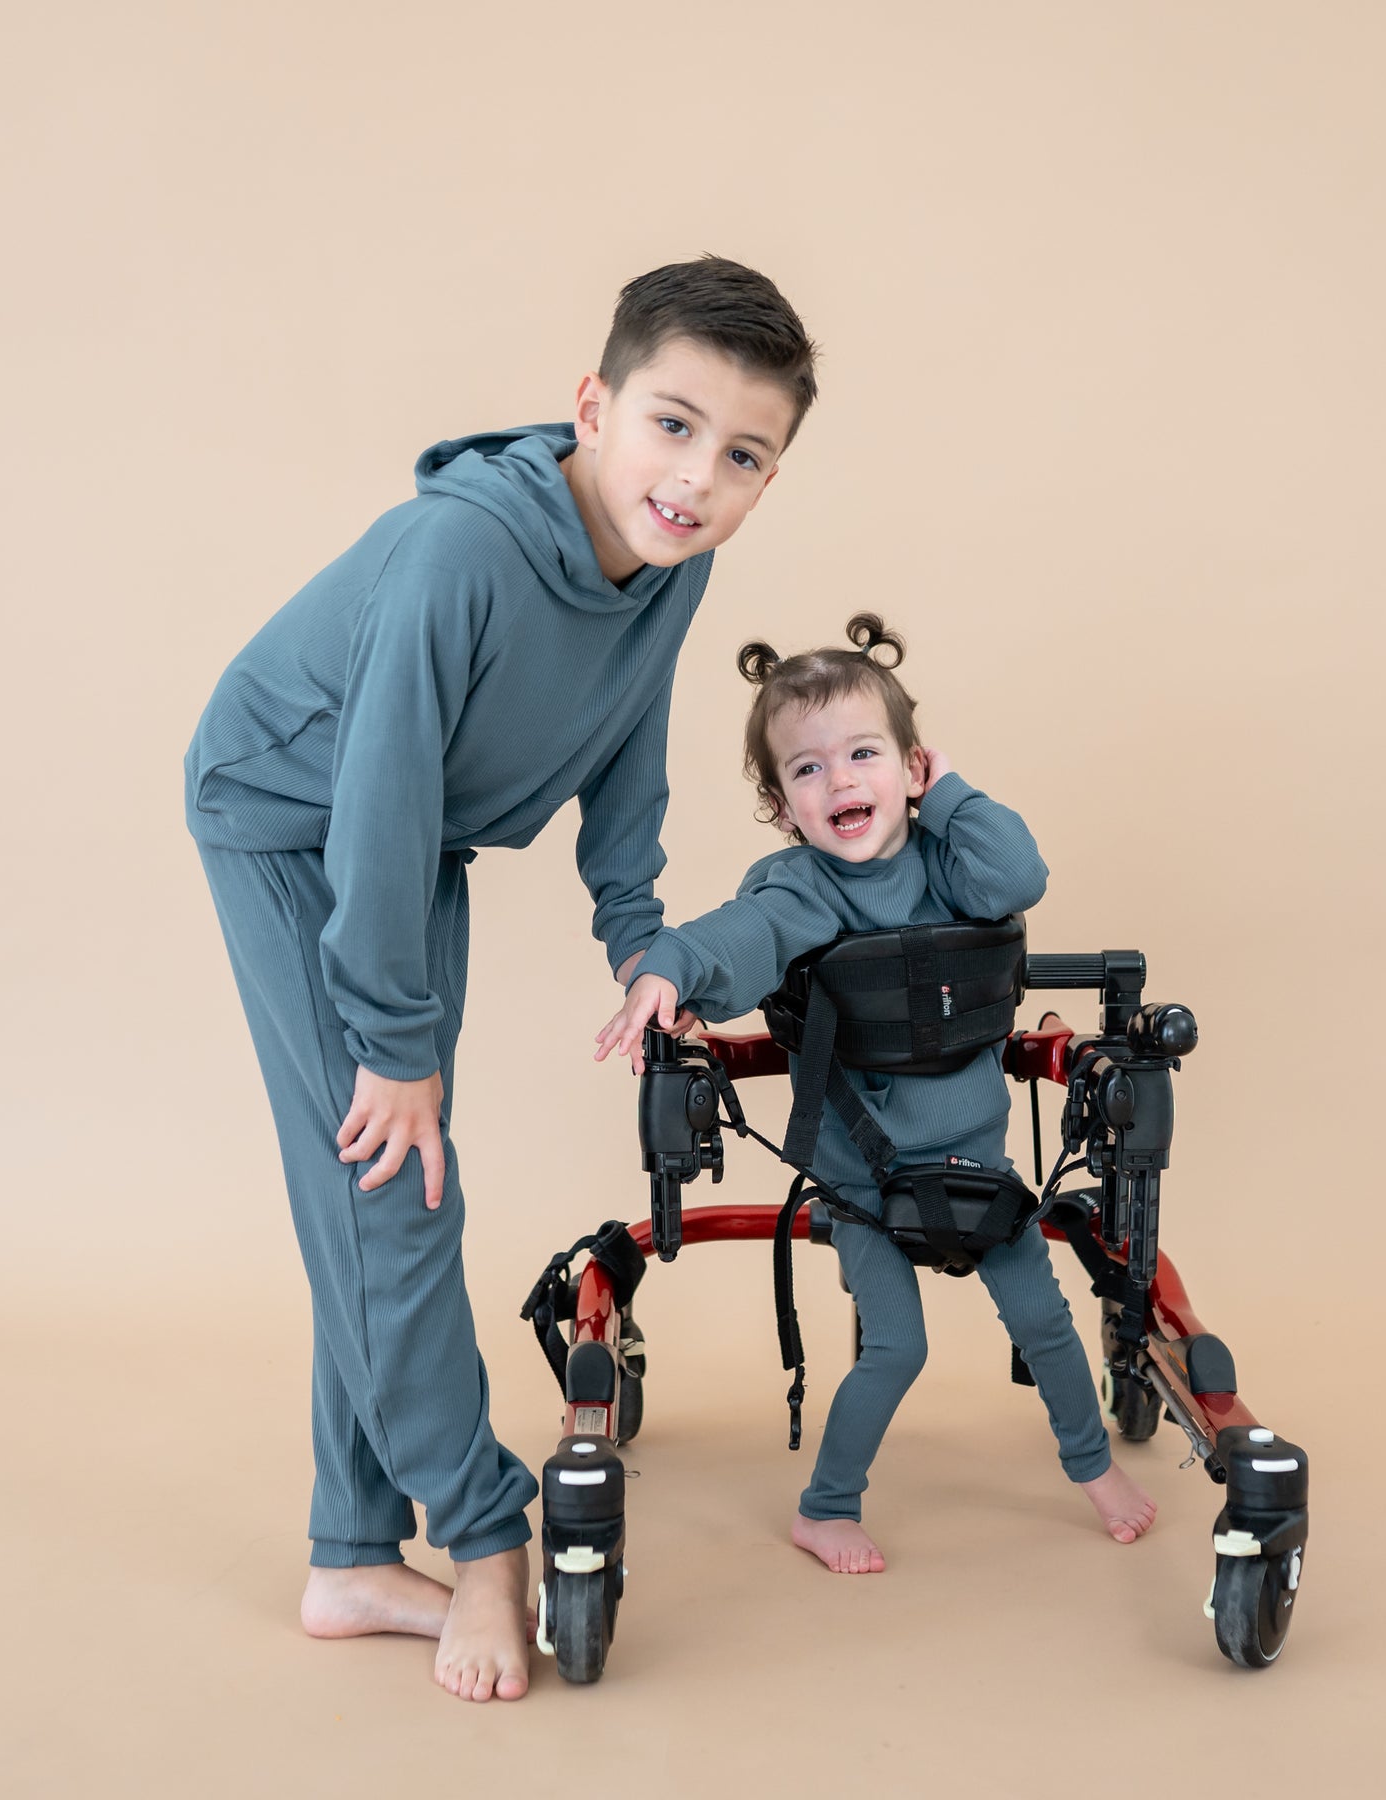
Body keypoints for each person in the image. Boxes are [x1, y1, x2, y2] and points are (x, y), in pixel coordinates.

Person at [185, 257, 818, 1698]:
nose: (695, 477)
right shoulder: (463, 555)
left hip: (414, 839)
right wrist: (394, 1041)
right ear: (590, 407)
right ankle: (484, 1536)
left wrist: (636, 932)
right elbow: (379, 797)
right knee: (392, 1183)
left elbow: (627, 752)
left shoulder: (673, 563)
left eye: (742, 456)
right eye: (669, 424)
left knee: (376, 1192)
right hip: (292, 820)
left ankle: (352, 1553)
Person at [595, 616, 1156, 1574]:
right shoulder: (803, 889)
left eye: (863, 755)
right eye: (806, 771)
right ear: (781, 806)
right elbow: (740, 932)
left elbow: (1021, 873)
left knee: (1048, 1325)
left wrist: (953, 798)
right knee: (897, 1349)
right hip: (863, 1179)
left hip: (977, 1166)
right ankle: (826, 1507)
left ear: (911, 769)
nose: (840, 781)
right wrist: (669, 970)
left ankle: (1092, 1466)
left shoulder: (954, 865)